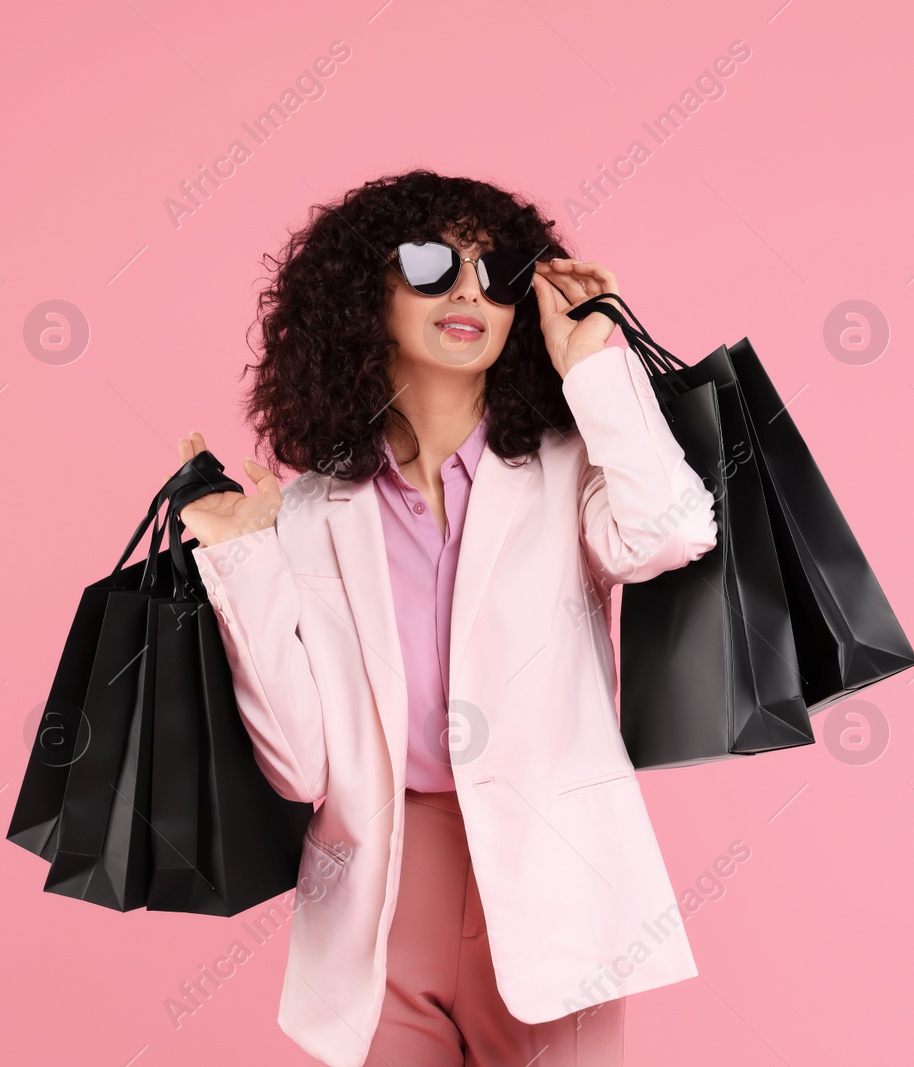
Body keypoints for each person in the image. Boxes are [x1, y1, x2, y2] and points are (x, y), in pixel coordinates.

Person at [175, 169, 717, 1067]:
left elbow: (671, 530)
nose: (469, 287)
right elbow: (300, 761)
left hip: (553, 880)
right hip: (386, 895)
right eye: (430, 262)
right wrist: (241, 558)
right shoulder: (311, 512)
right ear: (364, 293)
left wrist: (597, 362)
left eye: (499, 271)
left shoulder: (565, 469)